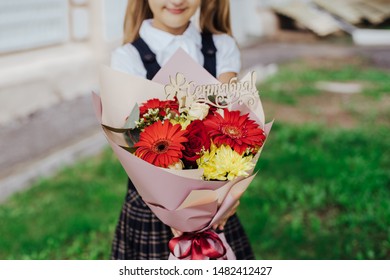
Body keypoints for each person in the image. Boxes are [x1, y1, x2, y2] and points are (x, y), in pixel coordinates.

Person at [110, 0, 255, 260]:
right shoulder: (127, 58)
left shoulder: (220, 48)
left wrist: (226, 196)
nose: (177, 1)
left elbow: (229, 126)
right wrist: (173, 209)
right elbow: (130, 139)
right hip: (151, 206)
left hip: (212, 205)